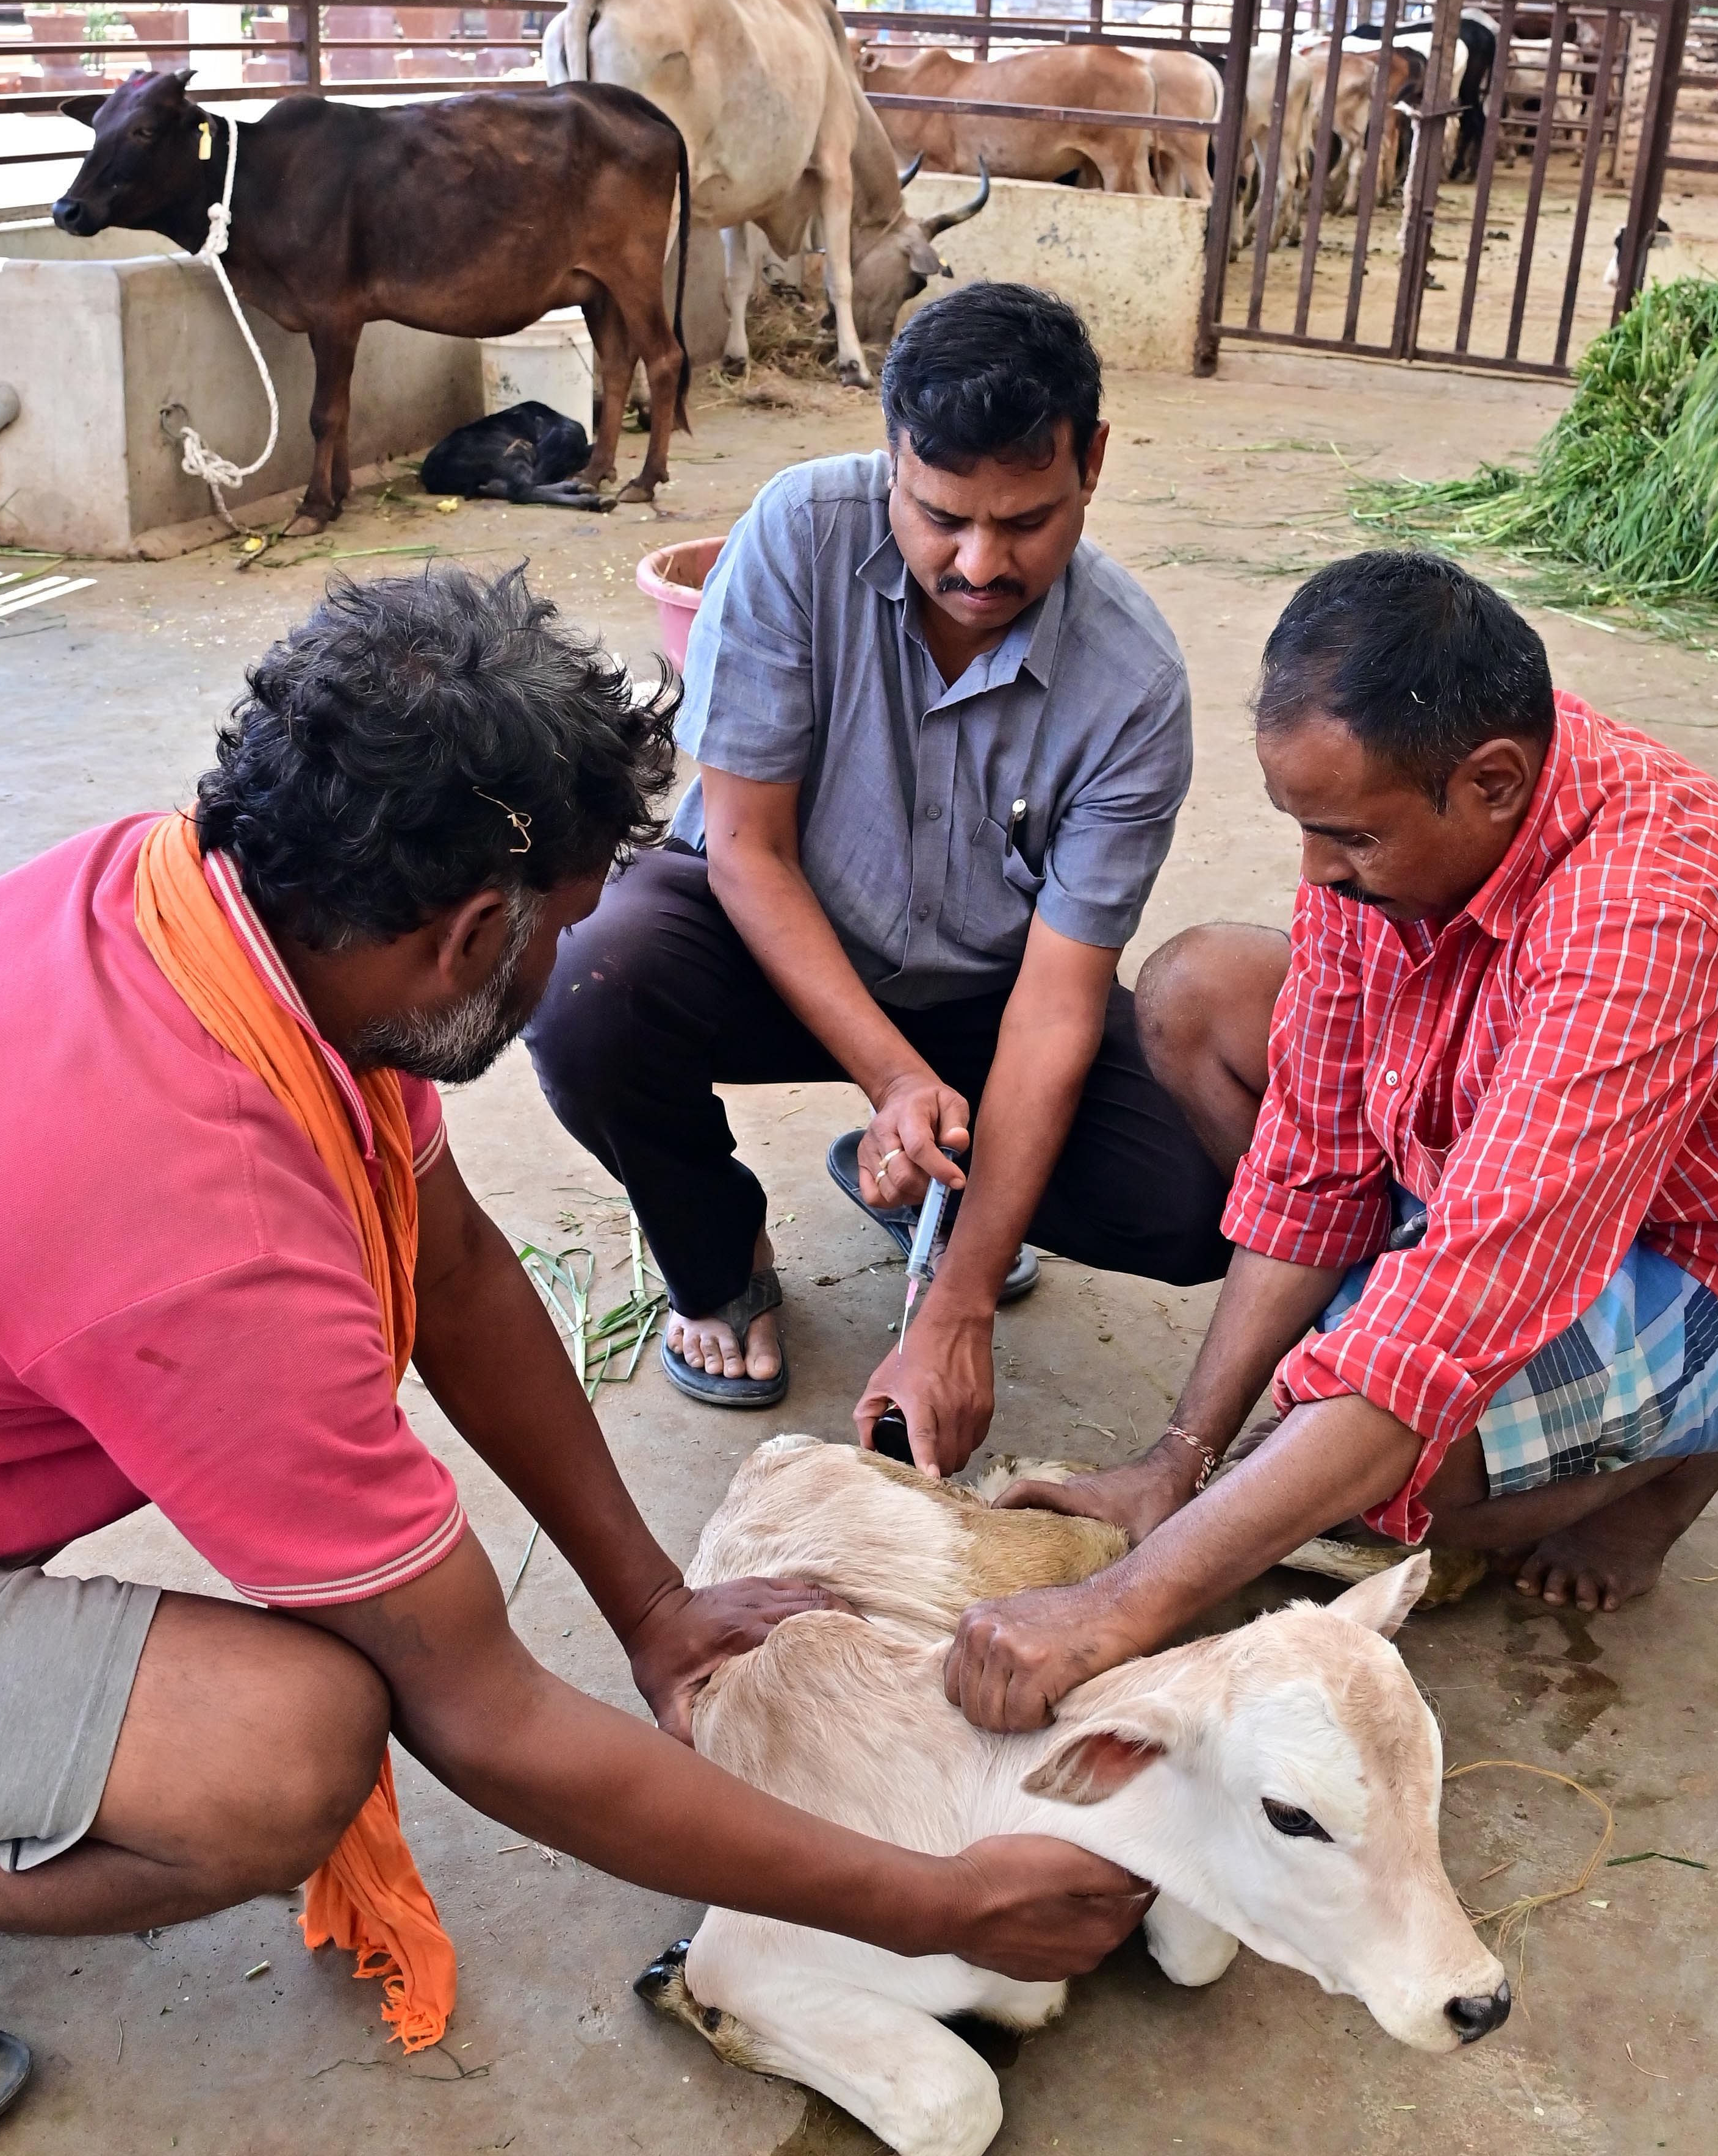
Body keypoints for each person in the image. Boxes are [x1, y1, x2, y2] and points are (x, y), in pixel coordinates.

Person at [0, 570, 1151, 2156]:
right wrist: (931, 1901)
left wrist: (651, 1606)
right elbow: (479, 1714)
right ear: (472, 931)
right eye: (562, 926)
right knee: (280, 1758)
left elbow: (456, 1266)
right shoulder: (204, 1224)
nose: (570, 958)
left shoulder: (230, 929)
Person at [943, 550, 1718, 1731]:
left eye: (1351, 841)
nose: (1316, 874)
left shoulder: (1645, 919)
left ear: (1495, 783)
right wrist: (1178, 1459)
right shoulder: (1420, 806)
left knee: (1386, 1490)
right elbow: (1313, 1156)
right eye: (1308, 831)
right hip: (1535, 1159)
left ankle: (1670, 1466)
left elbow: (1456, 1316)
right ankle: (1417, 1438)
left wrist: (1119, 1606)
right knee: (1200, 992)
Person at [527, 281, 1230, 1468]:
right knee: (591, 979)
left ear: (1094, 463)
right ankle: (719, 1254)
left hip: (987, 1001)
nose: (979, 563)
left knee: (1189, 1204)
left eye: (1027, 522)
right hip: (761, 937)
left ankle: (923, 1187)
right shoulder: (797, 533)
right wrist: (895, 1076)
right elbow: (745, 848)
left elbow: (1058, 1003)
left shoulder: (1135, 682)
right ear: (891, 455)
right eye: (941, 513)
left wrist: (955, 1309)